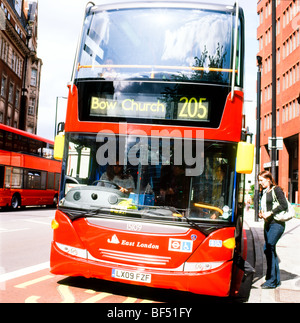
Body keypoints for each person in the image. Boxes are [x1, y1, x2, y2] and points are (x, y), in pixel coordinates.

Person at [258, 170, 288, 289]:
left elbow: (284, 205)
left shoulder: (277, 190)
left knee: (268, 247)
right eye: (259, 181)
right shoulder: (264, 192)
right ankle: (274, 279)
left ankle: (271, 280)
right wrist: (262, 214)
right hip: (268, 224)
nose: (260, 183)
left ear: (269, 179)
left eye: (262, 180)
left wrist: (270, 213)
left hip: (277, 224)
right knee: (270, 250)